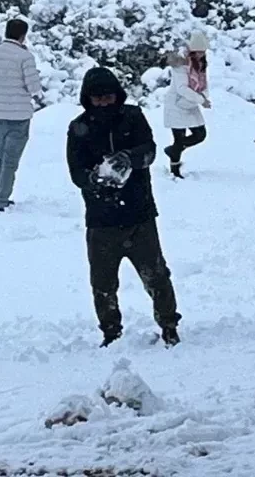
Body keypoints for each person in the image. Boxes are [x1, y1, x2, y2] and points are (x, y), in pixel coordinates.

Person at [66, 67, 182, 348]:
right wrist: (94, 179)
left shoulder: (133, 117)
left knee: (156, 276)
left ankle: (169, 325)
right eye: (97, 99)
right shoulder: (78, 128)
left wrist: (129, 158)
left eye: (108, 97)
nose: (104, 103)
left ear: (117, 95)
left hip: (139, 214)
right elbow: (77, 174)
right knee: (103, 284)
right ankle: (111, 332)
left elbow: (150, 151)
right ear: (88, 99)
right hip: (101, 220)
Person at [0, 18, 42, 212]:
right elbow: (34, 87)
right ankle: (1, 200)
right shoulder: (25, 57)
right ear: (23, 35)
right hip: (19, 116)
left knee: (1, 156)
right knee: (10, 161)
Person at [162, 31, 211, 179]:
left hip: (190, 104)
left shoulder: (200, 65)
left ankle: (173, 151)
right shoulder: (181, 65)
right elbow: (182, 89)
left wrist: (204, 96)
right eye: (199, 52)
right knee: (179, 138)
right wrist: (201, 100)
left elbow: (204, 83)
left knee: (200, 134)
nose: (201, 55)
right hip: (176, 105)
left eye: (203, 52)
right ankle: (174, 170)